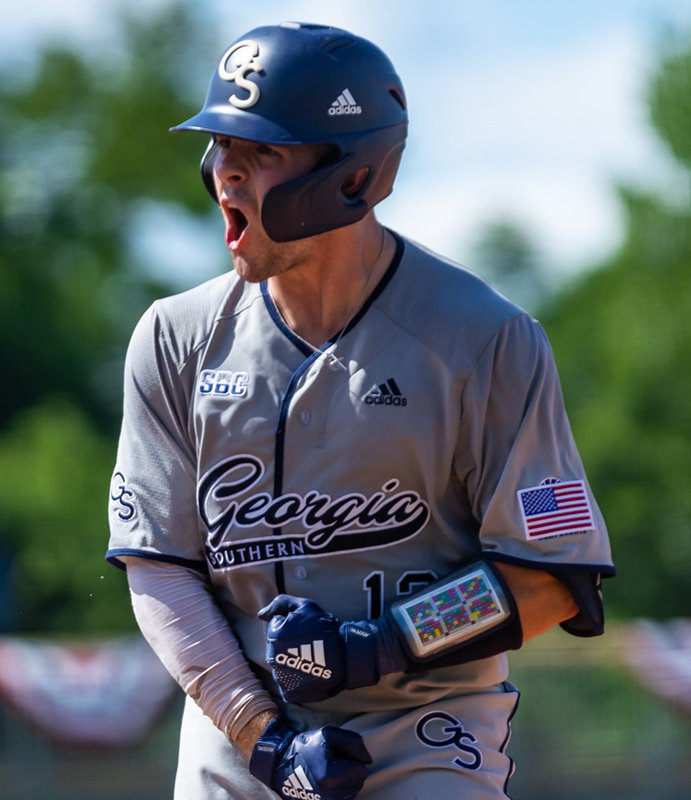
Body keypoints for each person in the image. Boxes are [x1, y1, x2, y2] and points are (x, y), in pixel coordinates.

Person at [106, 21, 615, 800]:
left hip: (427, 719)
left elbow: (545, 579)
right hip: (236, 717)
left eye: (261, 151)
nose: (223, 172)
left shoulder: (483, 340)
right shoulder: (176, 339)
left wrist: (378, 646)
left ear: (352, 178)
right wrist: (263, 736)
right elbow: (160, 571)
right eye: (219, 146)